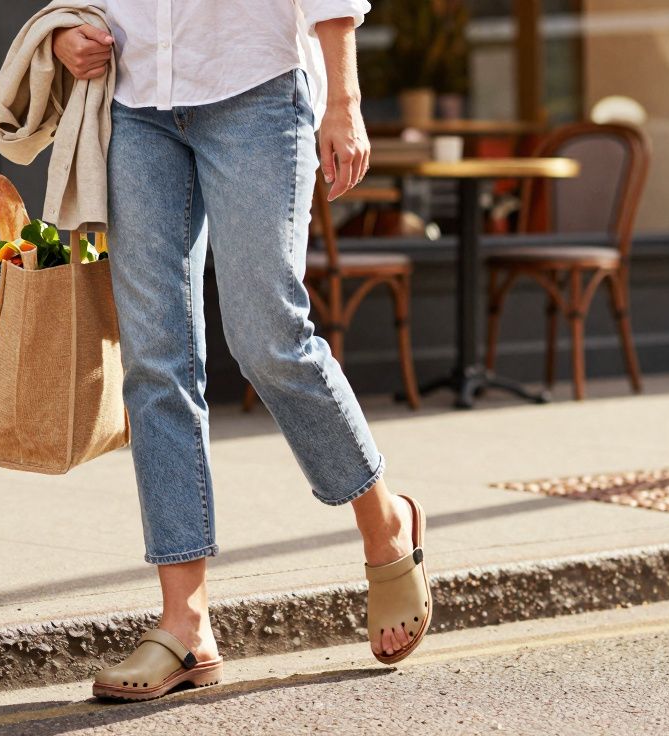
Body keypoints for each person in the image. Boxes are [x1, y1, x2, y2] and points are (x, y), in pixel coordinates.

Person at [51, 0, 432, 700]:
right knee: (154, 364)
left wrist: (344, 100)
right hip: (135, 101)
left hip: (256, 88)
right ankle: (186, 626)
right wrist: (65, 33)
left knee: (269, 340)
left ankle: (385, 520)